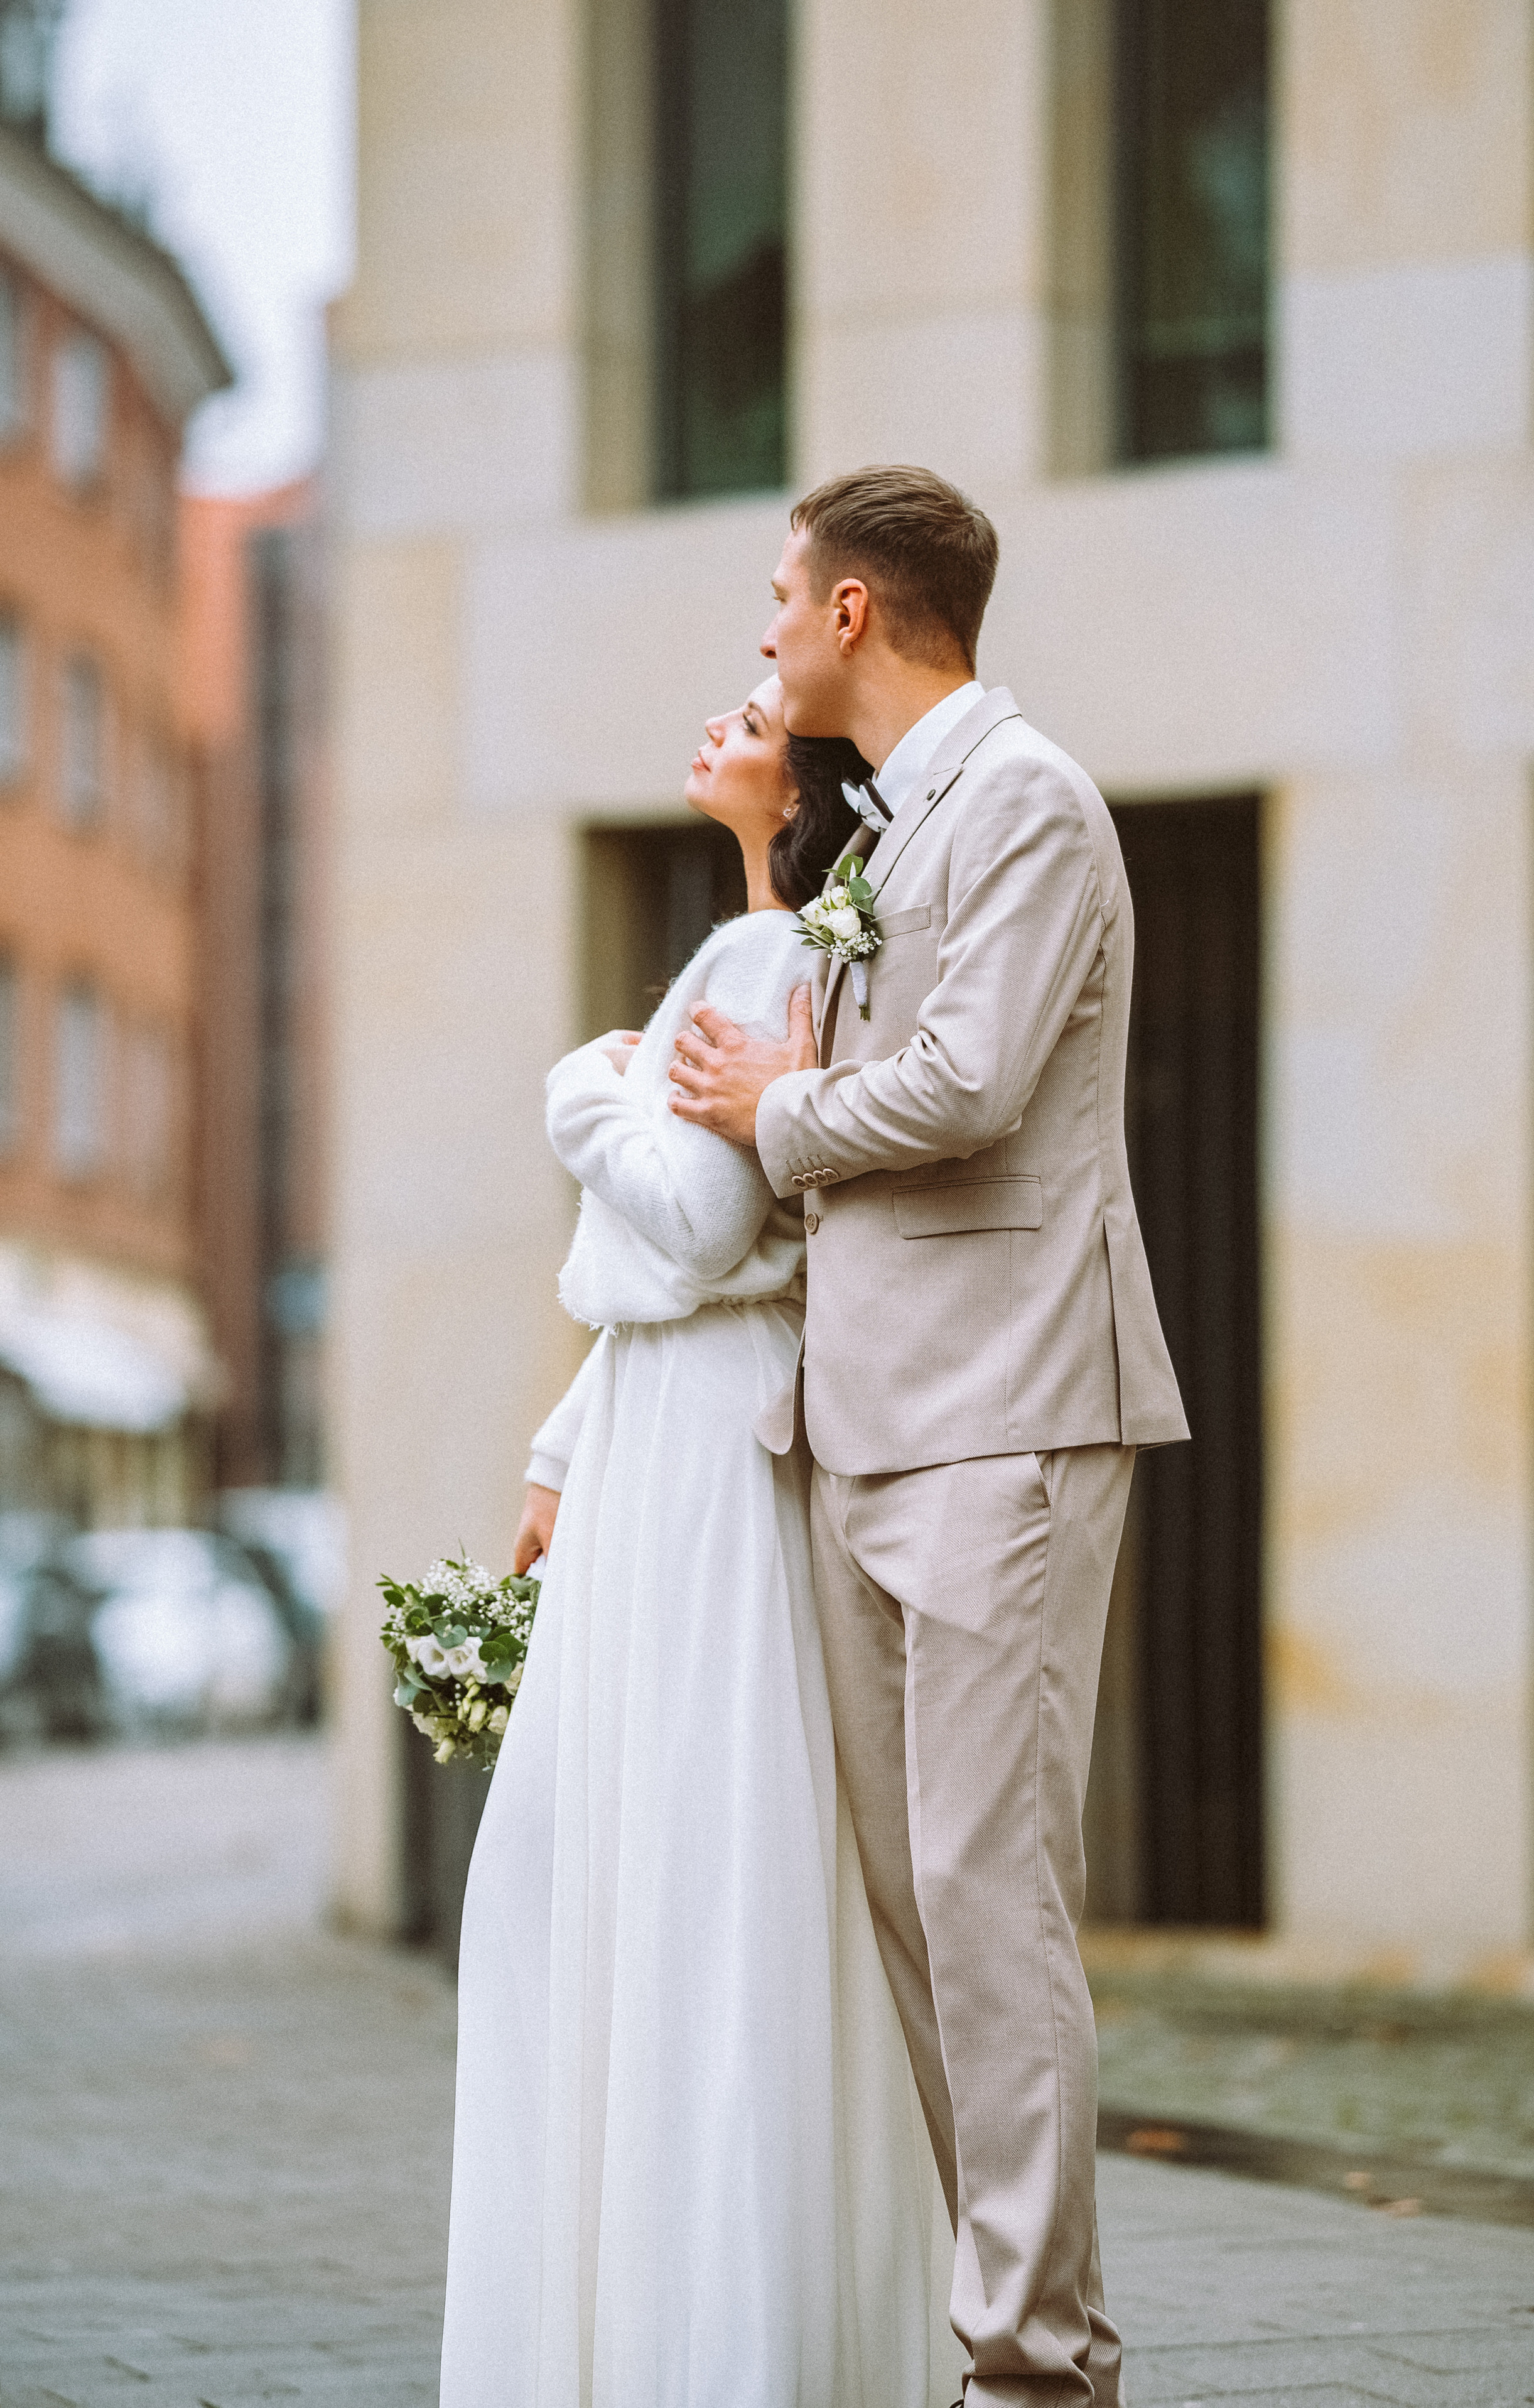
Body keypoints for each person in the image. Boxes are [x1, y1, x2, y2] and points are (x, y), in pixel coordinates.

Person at [667, 465, 1189, 2408]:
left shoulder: (1031, 799)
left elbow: (966, 1085)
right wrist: (761, 888)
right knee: (915, 1908)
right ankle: (1010, 2339)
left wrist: (778, 1111)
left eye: (780, 597)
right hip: (863, 1425)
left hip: (1008, 1421)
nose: (765, 631)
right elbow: (813, 1061)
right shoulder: (884, 826)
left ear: (855, 612)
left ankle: (1035, 2371)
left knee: (990, 1902)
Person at [439, 672, 968, 2408]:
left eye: (749, 712)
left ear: (795, 778)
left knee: (651, 1856)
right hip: (679, 1420)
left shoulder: (766, 954)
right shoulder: (784, 948)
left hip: (703, 1446)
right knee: (698, 1850)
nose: (719, 724)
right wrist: (559, 1449)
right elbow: (709, 1271)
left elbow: (692, 1232)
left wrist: (579, 1099)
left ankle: (677, 2330)